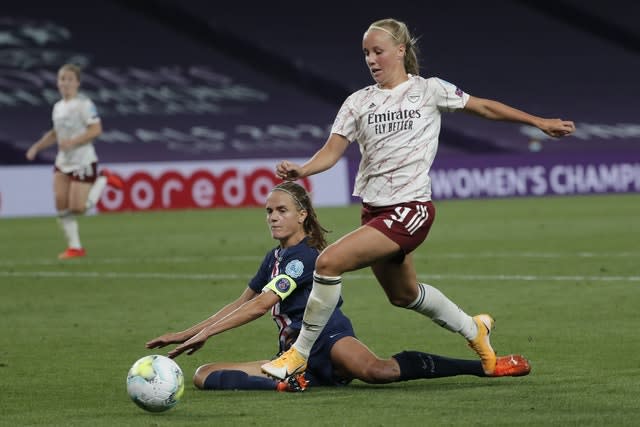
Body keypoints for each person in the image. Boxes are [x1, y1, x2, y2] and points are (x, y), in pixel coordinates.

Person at [261, 18, 575, 380]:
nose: (372, 60)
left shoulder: (429, 90)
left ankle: (298, 353)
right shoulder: (357, 102)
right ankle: (476, 331)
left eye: (378, 51)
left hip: (411, 210)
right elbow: (331, 153)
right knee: (403, 295)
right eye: (366, 53)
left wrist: (538, 122)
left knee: (328, 263)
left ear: (401, 50)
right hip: (375, 212)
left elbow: (485, 108)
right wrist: (303, 170)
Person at [146, 182, 531, 392]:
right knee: (203, 375)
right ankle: (291, 382)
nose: (273, 217)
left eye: (281, 210)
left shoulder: (306, 257)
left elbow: (261, 306)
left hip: (329, 340)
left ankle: (483, 368)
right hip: (291, 352)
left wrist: (208, 333)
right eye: (268, 211)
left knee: (378, 372)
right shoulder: (273, 258)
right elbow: (240, 302)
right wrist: (188, 332)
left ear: (302, 215)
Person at [25, 63, 123, 259]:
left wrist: (73, 142)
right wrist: (37, 147)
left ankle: (103, 179)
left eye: (70, 79)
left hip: (83, 161)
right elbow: (55, 133)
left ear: (77, 83)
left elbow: (96, 130)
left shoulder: (85, 105)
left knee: (78, 208)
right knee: (61, 206)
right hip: (63, 161)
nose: (66, 83)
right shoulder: (58, 107)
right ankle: (75, 247)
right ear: (57, 83)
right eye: (62, 79)